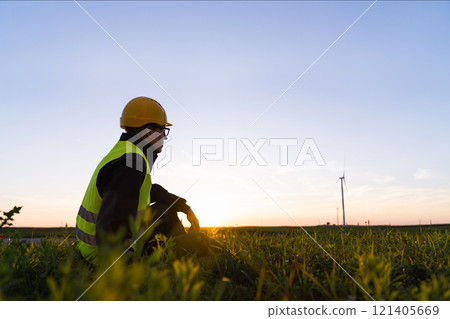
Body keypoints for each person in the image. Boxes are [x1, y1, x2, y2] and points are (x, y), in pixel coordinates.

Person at [76, 96, 220, 264]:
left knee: (165, 211)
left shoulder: (126, 154)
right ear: (149, 132)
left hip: (95, 247)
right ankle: (217, 253)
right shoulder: (130, 164)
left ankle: (185, 256)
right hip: (106, 256)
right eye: (163, 131)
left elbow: (149, 190)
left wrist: (184, 207)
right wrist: (133, 267)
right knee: (200, 240)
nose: (165, 138)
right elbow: (110, 227)